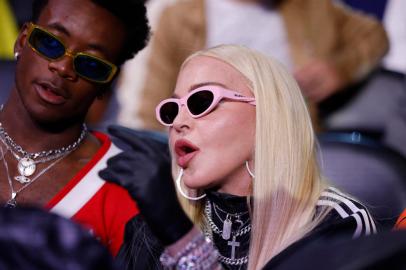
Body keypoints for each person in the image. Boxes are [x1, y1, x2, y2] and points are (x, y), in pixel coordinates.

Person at [100, 45, 376, 269]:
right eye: (172, 109)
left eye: (201, 101)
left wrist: (181, 239)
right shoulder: (153, 227)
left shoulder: (336, 223)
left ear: (268, 113)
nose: (179, 122)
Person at [0, 0, 149, 256]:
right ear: (22, 40)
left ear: (106, 83)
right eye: (50, 43)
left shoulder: (123, 187)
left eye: (91, 64)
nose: (63, 68)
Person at [134, 0, 388, 131]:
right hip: (205, 155)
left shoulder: (309, 7)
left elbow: (373, 36)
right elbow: (149, 112)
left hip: (296, 150)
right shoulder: (177, 14)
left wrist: (339, 69)